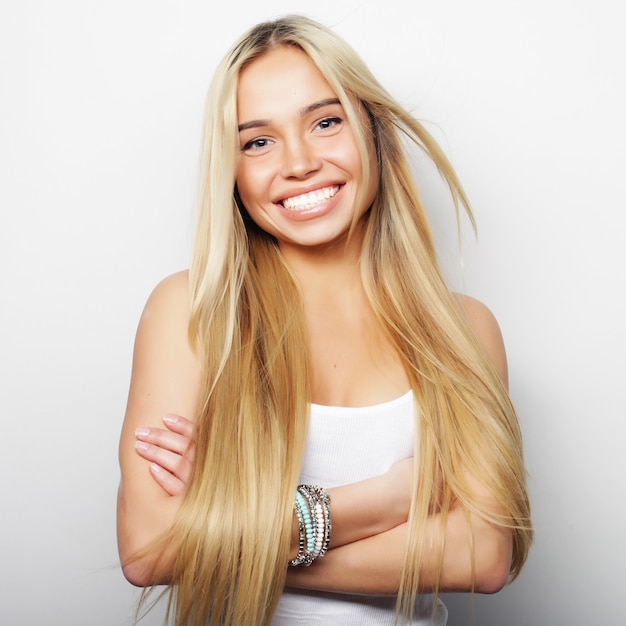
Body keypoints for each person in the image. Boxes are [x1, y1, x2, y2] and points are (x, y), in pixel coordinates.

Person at [116, 14, 533, 626]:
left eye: (326, 121)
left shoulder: (464, 330)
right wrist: (386, 500)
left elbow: (484, 556)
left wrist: (228, 531)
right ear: (230, 174)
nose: (300, 163)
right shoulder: (195, 312)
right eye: (257, 141)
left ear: (373, 130)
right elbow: (151, 550)